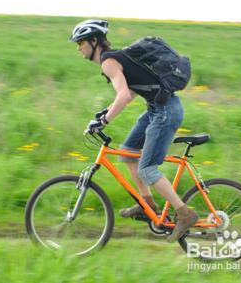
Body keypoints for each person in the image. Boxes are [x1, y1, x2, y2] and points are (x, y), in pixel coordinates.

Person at [69, 19, 198, 242]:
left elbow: (124, 95)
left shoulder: (108, 61)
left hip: (165, 111)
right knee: (128, 151)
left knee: (147, 169)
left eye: (81, 42)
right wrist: (105, 113)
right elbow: (132, 91)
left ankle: (184, 213)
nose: (78, 47)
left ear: (94, 41)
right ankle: (146, 203)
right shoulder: (116, 58)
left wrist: (105, 121)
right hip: (157, 108)